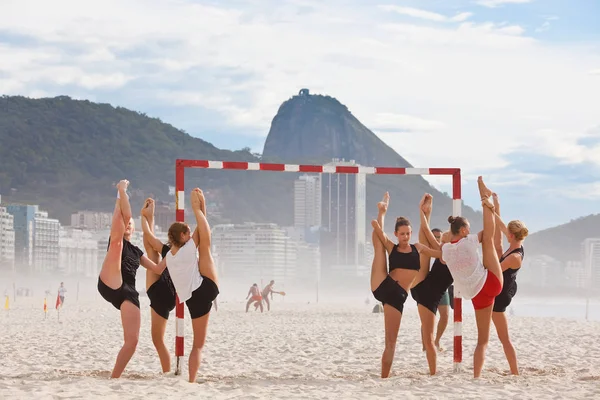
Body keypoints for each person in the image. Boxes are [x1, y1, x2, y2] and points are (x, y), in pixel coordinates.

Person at [97, 180, 165, 379]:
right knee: (117, 242)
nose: (128, 224)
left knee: (133, 341)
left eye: (131, 224)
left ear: (133, 229)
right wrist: (121, 191)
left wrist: (174, 253)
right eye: (126, 223)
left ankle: (114, 377)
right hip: (111, 279)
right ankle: (121, 191)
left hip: (127, 292)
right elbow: (124, 216)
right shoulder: (116, 239)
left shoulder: (136, 251)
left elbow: (158, 268)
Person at [152, 188, 220, 383]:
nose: (191, 235)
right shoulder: (190, 248)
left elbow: (200, 229)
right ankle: (191, 379)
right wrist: (198, 207)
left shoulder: (169, 257)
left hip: (193, 299)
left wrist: (202, 207)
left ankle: (191, 380)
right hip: (206, 287)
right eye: (188, 233)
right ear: (182, 236)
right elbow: (204, 231)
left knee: (197, 345)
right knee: (206, 246)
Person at [440, 176, 503, 378]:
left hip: (477, 294)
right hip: (491, 282)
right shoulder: (468, 242)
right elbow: (489, 230)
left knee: (482, 340)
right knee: (490, 243)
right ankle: (484, 198)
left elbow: (442, 247)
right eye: (468, 228)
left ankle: (476, 376)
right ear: (465, 230)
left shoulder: (446, 251)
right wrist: (492, 210)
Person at [370, 192, 421, 378]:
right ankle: (382, 211)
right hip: (384, 283)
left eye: (408, 233)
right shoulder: (393, 247)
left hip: (397, 295)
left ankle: (384, 376)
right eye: (402, 234)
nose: (405, 236)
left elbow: (439, 253)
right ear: (396, 234)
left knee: (390, 342)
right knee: (378, 244)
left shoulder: (417, 248)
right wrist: (381, 216)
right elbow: (379, 236)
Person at [408, 194, 453, 375]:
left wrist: (424, 212)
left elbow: (426, 235)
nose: (443, 238)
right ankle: (433, 372)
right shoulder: (446, 249)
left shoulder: (447, 252)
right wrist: (426, 212)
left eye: (446, 236)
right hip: (423, 286)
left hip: (428, 294)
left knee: (429, 339)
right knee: (428, 339)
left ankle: (433, 372)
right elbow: (425, 235)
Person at [491, 192, 528, 375]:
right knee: (501, 335)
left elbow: (496, 269)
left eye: (508, 233)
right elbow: (501, 226)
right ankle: (514, 371)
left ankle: (515, 372)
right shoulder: (515, 243)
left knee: (504, 337)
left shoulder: (514, 256)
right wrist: (495, 206)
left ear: (512, 235)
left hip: (502, 295)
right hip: (503, 289)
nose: (506, 234)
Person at [140, 198, 177, 373]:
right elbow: (150, 240)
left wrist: (143, 218)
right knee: (150, 250)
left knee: (157, 340)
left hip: (161, 294)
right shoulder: (184, 254)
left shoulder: (170, 251)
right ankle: (150, 215)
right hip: (167, 293)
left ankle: (167, 371)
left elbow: (148, 236)